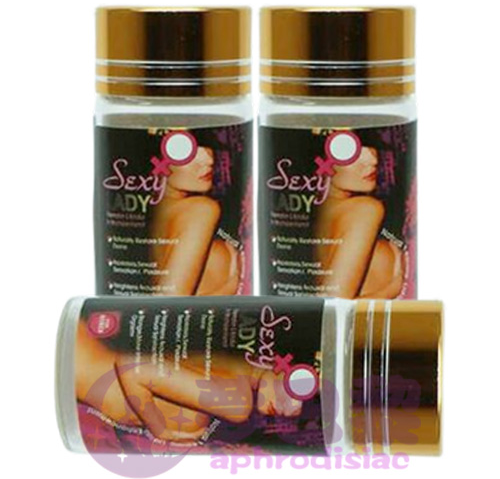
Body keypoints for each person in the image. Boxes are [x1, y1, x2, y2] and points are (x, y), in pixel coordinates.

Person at [76, 319, 303, 448]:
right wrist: (160, 430)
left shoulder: (233, 369)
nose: (292, 410)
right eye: (301, 388)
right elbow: (134, 366)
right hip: (73, 362)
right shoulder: (237, 402)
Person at [315, 146, 404, 298]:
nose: (373, 160)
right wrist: (391, 291)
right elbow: (333, 305)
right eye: (349, 150)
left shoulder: (318, 216)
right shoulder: (365, 209)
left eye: (371, 146)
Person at [151, 146, 240, 296]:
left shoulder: (154, 215)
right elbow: (170, 302)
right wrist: (234, 284)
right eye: (185, 150)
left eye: (206, 146)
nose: (209, 160)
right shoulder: (201, 209)